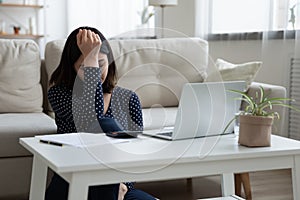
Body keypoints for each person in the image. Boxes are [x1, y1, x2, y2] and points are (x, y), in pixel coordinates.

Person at [46, 26, 156, 200]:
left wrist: (124, 185)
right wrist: (91, 58)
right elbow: (93, 119)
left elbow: (135, 154)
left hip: (117, 186)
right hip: (73, 181)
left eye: (100, 64)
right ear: (72, 68)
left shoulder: (129, 98)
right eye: (86, 66)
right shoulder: (59, 94)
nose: (96, 71)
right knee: (106, 124)